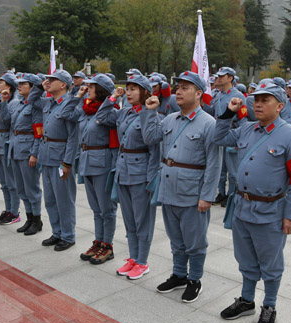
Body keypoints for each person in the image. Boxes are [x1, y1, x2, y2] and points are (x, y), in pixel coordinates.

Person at [212, 80, 291, 323]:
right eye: (256, 100)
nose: (258, 104)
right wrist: (228, 113)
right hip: (242, 208)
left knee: (271, 263)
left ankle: (270, 305)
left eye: (265, 100)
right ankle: (246, 300)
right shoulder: (247, 129)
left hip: (271, 211)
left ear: (280, 106)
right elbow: (219, 137)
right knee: (245, 260)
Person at [141, 71, 222, 302]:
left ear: (199, 94)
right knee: (175, 238)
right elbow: (150, 138)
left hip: (192, 192)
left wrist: (207, 195)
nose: (178, 91)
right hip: (169, 188)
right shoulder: (169, 119)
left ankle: (195, 279)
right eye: (178, 87)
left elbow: (215, 164)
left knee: (195, 241)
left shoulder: (209, 124)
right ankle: (178, 274)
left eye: (185, 88)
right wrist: (150, 112)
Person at [97, 74, 160, 279]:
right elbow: (103, 117)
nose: (130, 92)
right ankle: (133, 258)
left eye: (134, 88)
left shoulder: (151, 115)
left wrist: (151, 179)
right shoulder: (124, 113)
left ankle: (143, 261)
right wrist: (113, 98)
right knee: (130, 220)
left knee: (143, 221)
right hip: (123, 170)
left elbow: (154, 152)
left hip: (140, 173)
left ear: (144, 92)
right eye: (128, 88)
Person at [27, 69, 80, 251]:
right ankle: (56, 232)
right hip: (46, 155)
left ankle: (68, 235)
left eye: (52, 80)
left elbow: (73, 137)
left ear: (63, 84)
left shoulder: (69, 104)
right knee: (50, 199)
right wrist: (39, 87)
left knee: (64, 199)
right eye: (47, 80)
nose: (48, 82)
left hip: (60, 157)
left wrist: (67, 162)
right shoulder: (48, 102)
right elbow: (32, 100)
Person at [73, 74, 119, 264]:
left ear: (100, 91)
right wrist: (77, 96)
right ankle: (98, 242)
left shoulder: (111, 111)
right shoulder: (86, 110)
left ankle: (107, 246)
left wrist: (111, 99)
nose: (88, 89)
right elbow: (68, 114)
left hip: (102, 163)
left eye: (91, 87)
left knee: (106, 208)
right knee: (96, 208)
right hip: (87, 161)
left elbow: (103, 115)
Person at [204, 67, 246, 207]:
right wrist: (202, 104)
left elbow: (243, 119)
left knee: (233, 172)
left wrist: (239, 139)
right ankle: (221, 193)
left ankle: (232, 195)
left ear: (230, 78)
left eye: (222, 76)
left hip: (231, 134)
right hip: (218, 134)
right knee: (220, 169)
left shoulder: (238, 96)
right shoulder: (217, 95)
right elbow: (212, 112)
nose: (218, 78)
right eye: (218, 76)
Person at [9, 73, 44, 235]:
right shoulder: (19, 104)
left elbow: (38, 132)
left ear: (33, 87)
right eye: (19, 83)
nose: (20, 86)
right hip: (16, 147)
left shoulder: (36, 106)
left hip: (28, 149)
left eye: (24, 84)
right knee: (21, 188)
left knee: (32, 188)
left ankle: (37, 219)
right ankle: (29, 217)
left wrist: (34, 153)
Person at [0, 73, 22, 224]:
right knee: (3, 181)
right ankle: (8, 209)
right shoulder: (1, 100)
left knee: (10, 181)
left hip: (5, 142)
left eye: (1, 83)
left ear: (8, 86)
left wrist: (3, 101)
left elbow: (6, 121)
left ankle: (14, 211)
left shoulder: (13, 102)